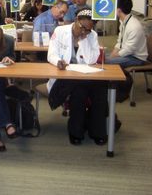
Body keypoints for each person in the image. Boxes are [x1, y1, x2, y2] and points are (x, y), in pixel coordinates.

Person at [46, 8, 108, 146]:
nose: (84, 31)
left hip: (86, 74)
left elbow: (92, 59)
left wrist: (82, 41)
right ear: (76, 21)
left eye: (88, 29)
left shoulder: (91, 35)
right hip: (67, 76)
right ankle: (76, 132)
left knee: (101, 91)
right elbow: (51, 54)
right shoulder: (60, 31)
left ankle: (98, 131)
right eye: (82, 28)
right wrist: (58, 62)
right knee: (79, 93)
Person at [106, 0, 148, 68]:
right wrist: (113, 53)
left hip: (136, 58)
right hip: (127, 53)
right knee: (101, 57)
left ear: (118, 10)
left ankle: (118, 78)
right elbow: (120, 42)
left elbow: (129, 50)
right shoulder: (124, 22)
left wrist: (113, 56)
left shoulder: (134, 26)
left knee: (105, 62)